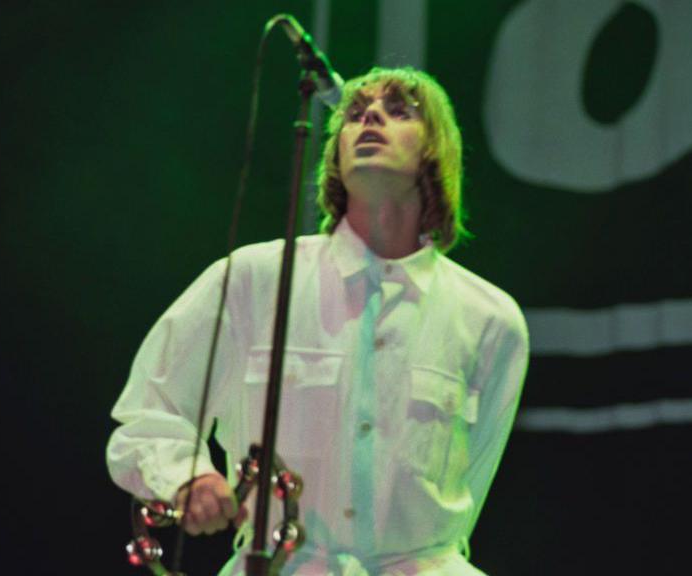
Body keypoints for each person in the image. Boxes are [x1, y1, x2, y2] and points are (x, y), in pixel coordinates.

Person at [107, 66, 529, 576]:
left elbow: (474, 479)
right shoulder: (255, 279)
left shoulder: (491, 318)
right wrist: (188, 477)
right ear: (334, 156)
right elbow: (151, 413)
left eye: (398, 111)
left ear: (437, 152)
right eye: (355, 114)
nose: (370, 116)